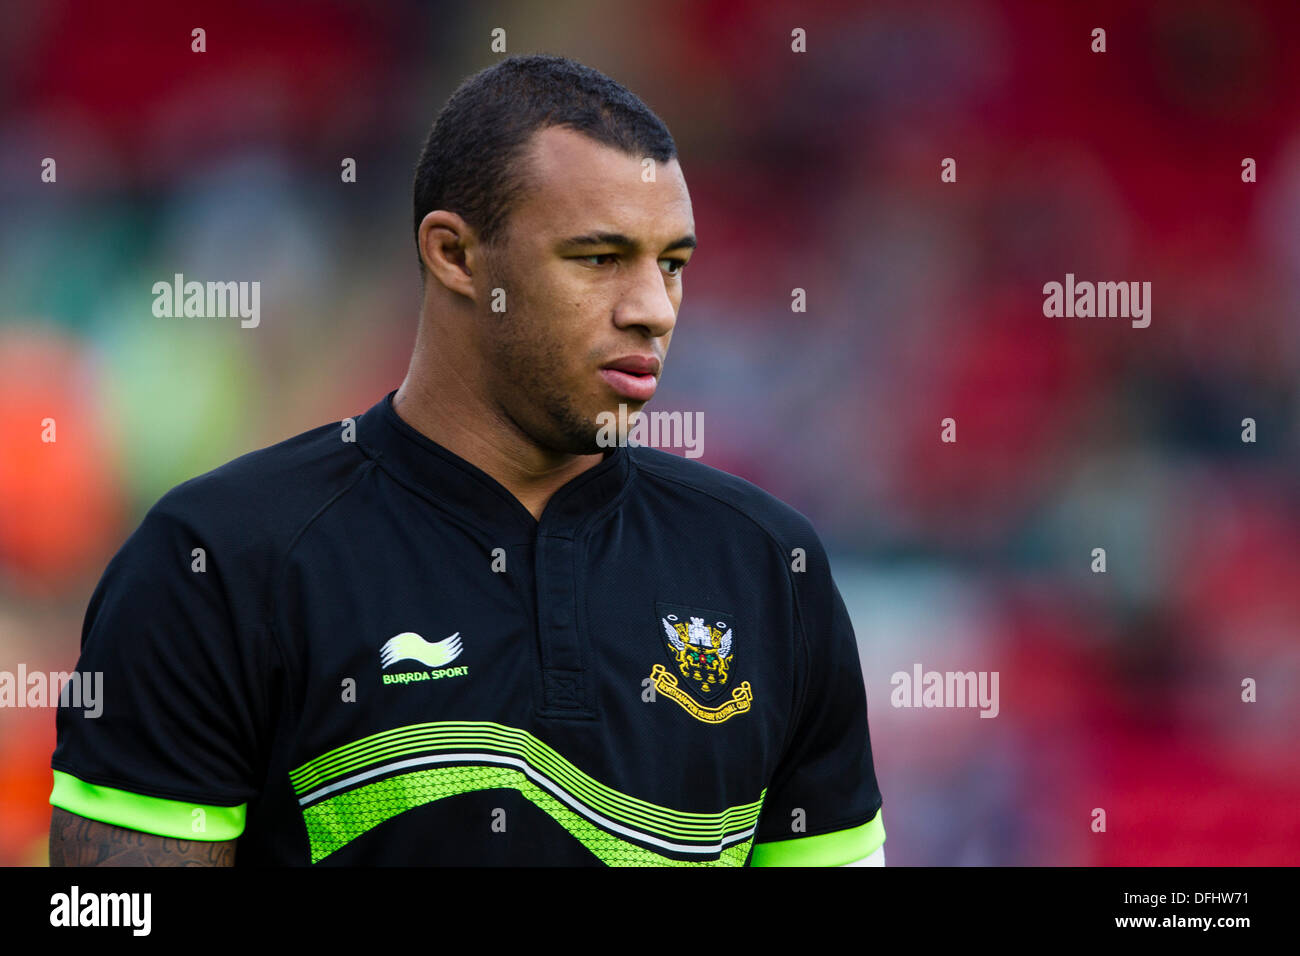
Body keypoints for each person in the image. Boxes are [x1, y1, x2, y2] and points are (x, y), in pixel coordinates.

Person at [49, 53, 885, 866]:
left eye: (672, 265)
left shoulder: (774, 571)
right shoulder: (218, 560)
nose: (652, 310)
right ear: (454, 255)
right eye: (599, 259)